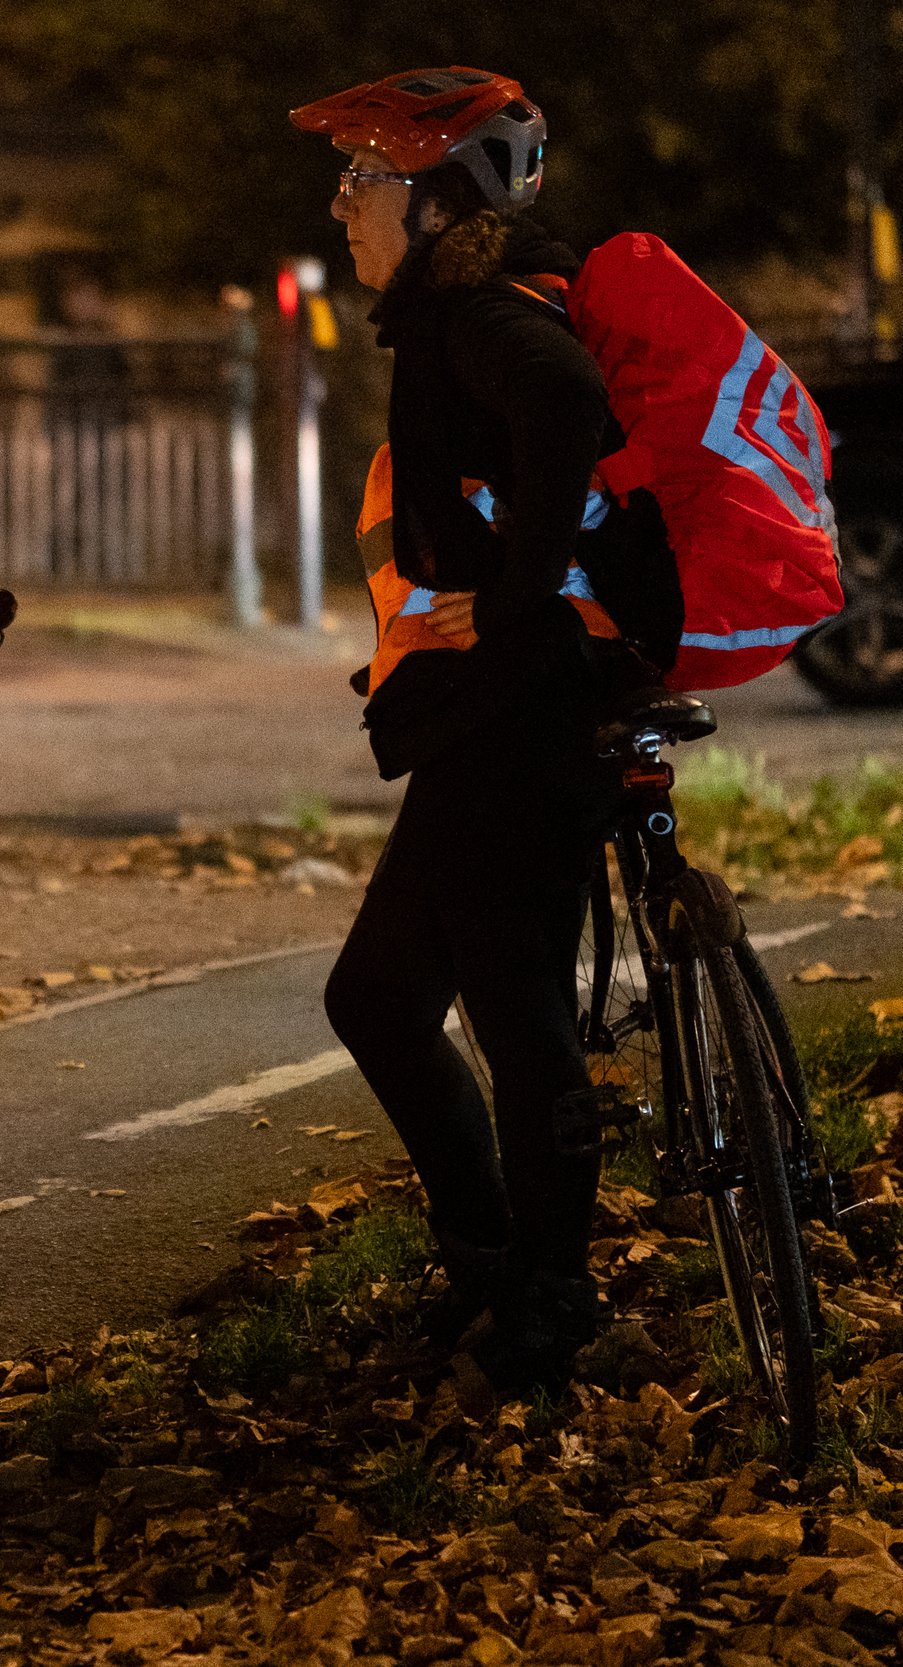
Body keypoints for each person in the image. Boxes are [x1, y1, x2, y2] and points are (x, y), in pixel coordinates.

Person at [293, 68, 660, 1392]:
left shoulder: (483, 319)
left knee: (511, 1010)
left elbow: (563, 407)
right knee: (382, 1000)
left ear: (442, 201)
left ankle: (548, 1298)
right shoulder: (463, 316)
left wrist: (507, 607)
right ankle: (494, 1263)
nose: (343, 206)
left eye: (362, 182)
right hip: (492, 713)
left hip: (526, 710)